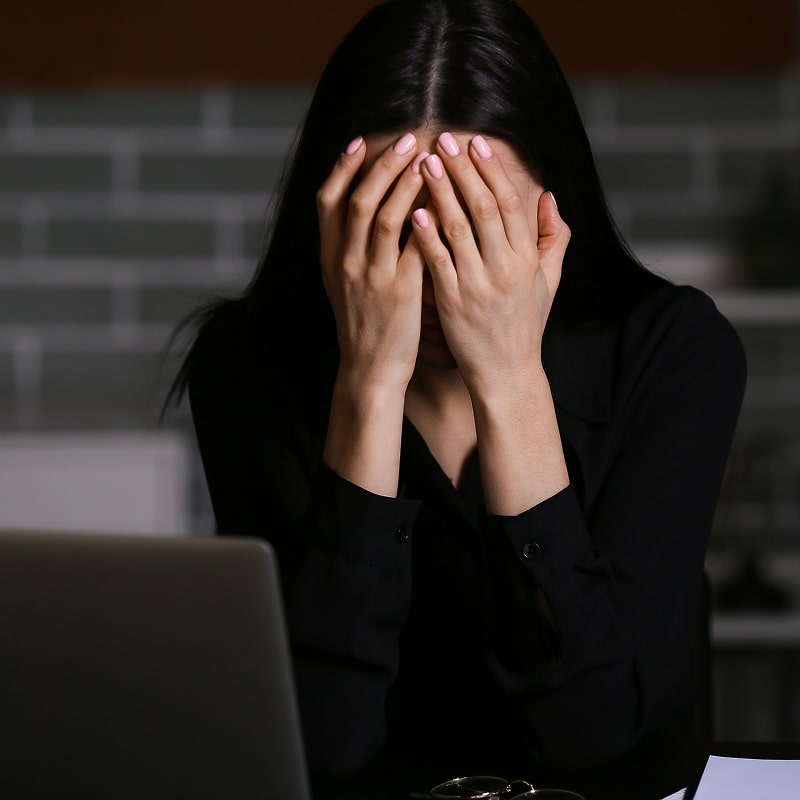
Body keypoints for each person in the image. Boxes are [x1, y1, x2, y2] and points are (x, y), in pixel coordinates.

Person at [174, 0, 746, 796]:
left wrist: (510, 378)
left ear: (551, 208)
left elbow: (594, 731)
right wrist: (368, 384)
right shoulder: (248, 368)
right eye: (395, 230)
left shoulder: (675, 353)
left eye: (478, 225)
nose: (443, 280)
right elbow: (318, 744)